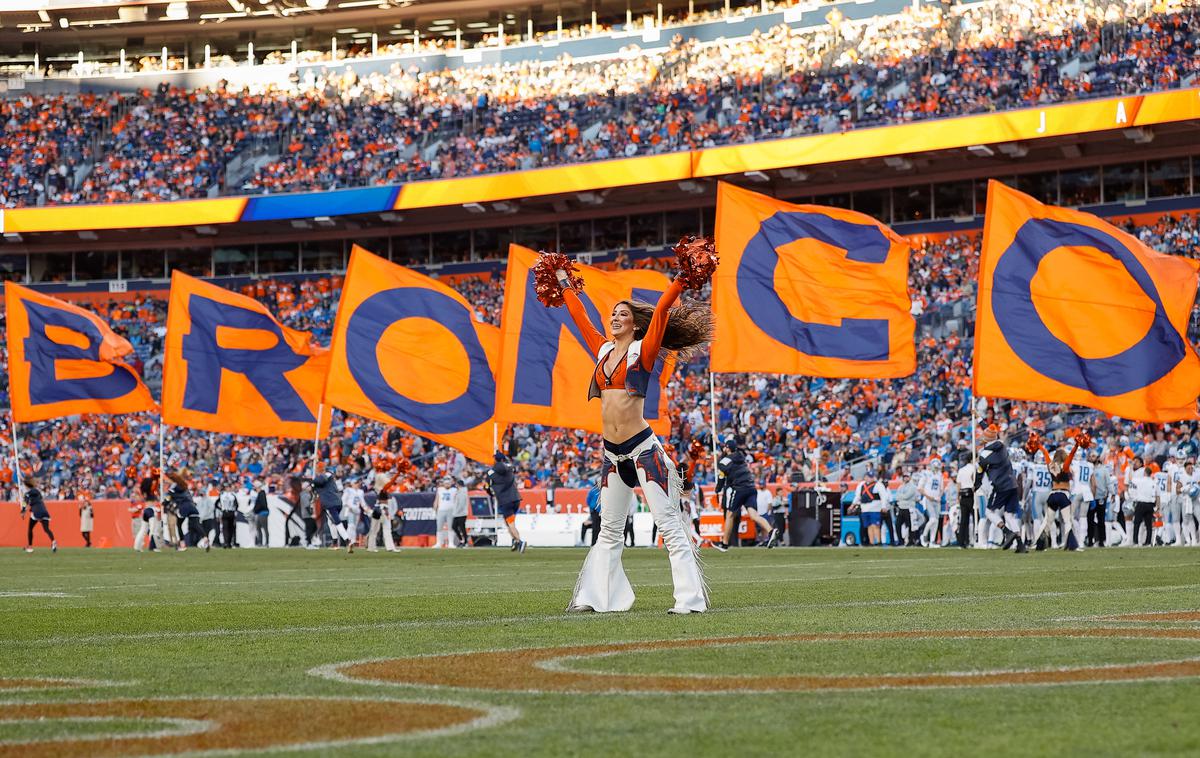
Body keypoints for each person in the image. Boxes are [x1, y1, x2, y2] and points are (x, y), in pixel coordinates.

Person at [555, 263, 709, 614]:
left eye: (622, 314)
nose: (614, 318)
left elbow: (665, 307)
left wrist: (684, 277)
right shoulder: (602, 351)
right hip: (612, 455)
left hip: (644, 451)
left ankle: (690, 601)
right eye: (612, 314)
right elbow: (580, 317)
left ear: (635, 323)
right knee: (608, 531)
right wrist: (564, 282)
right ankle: (597, 599)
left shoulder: (645, 348)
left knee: (669, 526)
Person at [715, 437, 778, 551]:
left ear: (727, 448)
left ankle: (724, 544)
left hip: (739, 488)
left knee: (729, 515)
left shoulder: (724, 461)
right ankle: (771, 530)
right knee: (754, 516)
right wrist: (719, 443)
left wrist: (718, 489)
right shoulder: (741, 456)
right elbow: (729, 455)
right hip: (751, 488)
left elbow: (721, 476)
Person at [977, 424, 1027, 554]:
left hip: (999, 485)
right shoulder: (1001, 445)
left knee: (989, 512)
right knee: (1009, 515)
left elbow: (980, 472)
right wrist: (978, 417)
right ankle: (1020, 544)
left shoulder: (984, 454)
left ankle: (1007, 531)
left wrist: (976, 485)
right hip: (1012, 484)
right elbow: (992, 430)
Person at [1030, 432, 1083, 550]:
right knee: (1067, 521)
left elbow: (1044, 452)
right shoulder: (1065, 466)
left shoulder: (1050, 465)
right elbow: (1072, 456)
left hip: (1052, 495)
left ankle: (1038, 544)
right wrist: (1076, 446)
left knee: (1047, 521)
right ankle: (1072, 546)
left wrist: (1038, 444)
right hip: (1063, 494)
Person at [486, 452, 526, 553]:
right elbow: (513, 468)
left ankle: (520, 541)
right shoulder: (510, 468)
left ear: (495, 460)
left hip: (504, 500)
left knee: (510, 523)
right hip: (515, 498)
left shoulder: (491, 472)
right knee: (508, 522)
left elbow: (487, 486)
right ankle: (514, 540)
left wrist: (491, 494)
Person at [308, 465, 344, 548]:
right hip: (333, 504)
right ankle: (335, 541)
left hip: (336, 504)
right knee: (331, 523)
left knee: (336, 523)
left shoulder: (336, 483)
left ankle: (343, 541)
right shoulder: (331, 481)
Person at [167, 470, 203, 551]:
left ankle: (179, 544)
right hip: (182, 507)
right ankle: (177, 543)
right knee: (176, 526)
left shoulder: (176, 486)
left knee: (176, 525)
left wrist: (166, 501)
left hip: (180, 508)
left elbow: (170, 496)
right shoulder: (182, 486)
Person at [21, 477, 56, 553]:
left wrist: (23, 510)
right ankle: (53, 542)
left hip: (36, 512)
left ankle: (30, 547)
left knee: (30, 529)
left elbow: (25, 502)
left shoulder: (28, 493)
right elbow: (35, 498)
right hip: (43, 510)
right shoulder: (36, 491)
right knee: (46, 529)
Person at [1128, 458, 1158, 546]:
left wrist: (1130, 468)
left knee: (1137, 523)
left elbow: (1131, 479)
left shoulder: (1140, 480)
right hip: (1150, 504)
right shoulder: (1153, 482)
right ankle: (1148, 542)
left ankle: (1136, 542)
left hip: (1141, 503)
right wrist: (1157, 506)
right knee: (1148, 525)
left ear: (1144, 473)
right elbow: (1157, 495)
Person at [917, 458, 946, 547]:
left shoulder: (940, 475)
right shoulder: (926, 474)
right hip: (928, 499)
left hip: (936, 500)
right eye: (935, 467)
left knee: (936, 521)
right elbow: (920, 488)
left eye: (938, 467)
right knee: (932, 519)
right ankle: (924, 536)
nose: (936, 469)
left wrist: (939, 496)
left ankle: (932, 541)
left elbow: (941, 488)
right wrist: (929, 496)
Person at [954, 451, 976, 548]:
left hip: (962, 495)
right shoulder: (974, 469)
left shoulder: (961, 470)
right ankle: (975, 539)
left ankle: (962, 542)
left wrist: (958, 497)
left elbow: (958, 484)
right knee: (976, 518)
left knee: (964, 520)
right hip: (972, 495)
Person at [893, 469, 919, 546]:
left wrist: (901, 497)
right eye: (904, 477)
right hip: (901, 508)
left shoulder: (913, 486)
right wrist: (901, 497)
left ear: (909, 478)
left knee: (910, 525)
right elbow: (897, 497)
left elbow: (907, 496)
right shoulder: (901, 486)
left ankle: (911, 541)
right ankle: (900, 541)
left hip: (909, 508)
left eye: (907, 477)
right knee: (898, 525)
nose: (905, 478)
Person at [341, 477, 365, 554]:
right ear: (352, 484)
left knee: (354, 527)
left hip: (357, 511)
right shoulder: (348, 490)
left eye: (358, 483)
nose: (357, 484)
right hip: (350, 510)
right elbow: (343, 500)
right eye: (355, 483)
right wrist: (348, 506)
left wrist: (367, 509)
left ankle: (352, 541)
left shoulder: (361, 492)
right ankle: (349, 542)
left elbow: (362, 502)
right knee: (350, 526)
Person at [434, 476, 457, 549]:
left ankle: (451, 543)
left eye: (448, 483)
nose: (447, 485)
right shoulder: (440, 489)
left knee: (450, 527)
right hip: (441, 510)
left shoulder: (454, 490)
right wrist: (435, 508)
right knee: (439, 527)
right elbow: (437, 500)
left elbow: (456, 500)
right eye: (446, 483)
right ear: (443, 483)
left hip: (451, 510)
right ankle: (438, 543)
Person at [453, 477, 470, 547]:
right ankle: (462, 540)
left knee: (461, 527)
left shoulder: (462, 492)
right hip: (458, 513)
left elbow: (461, 503)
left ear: (459, 485)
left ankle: (465, 541)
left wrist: (456, 511)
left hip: (461, 513)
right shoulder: (459, 491)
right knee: (455, 526)